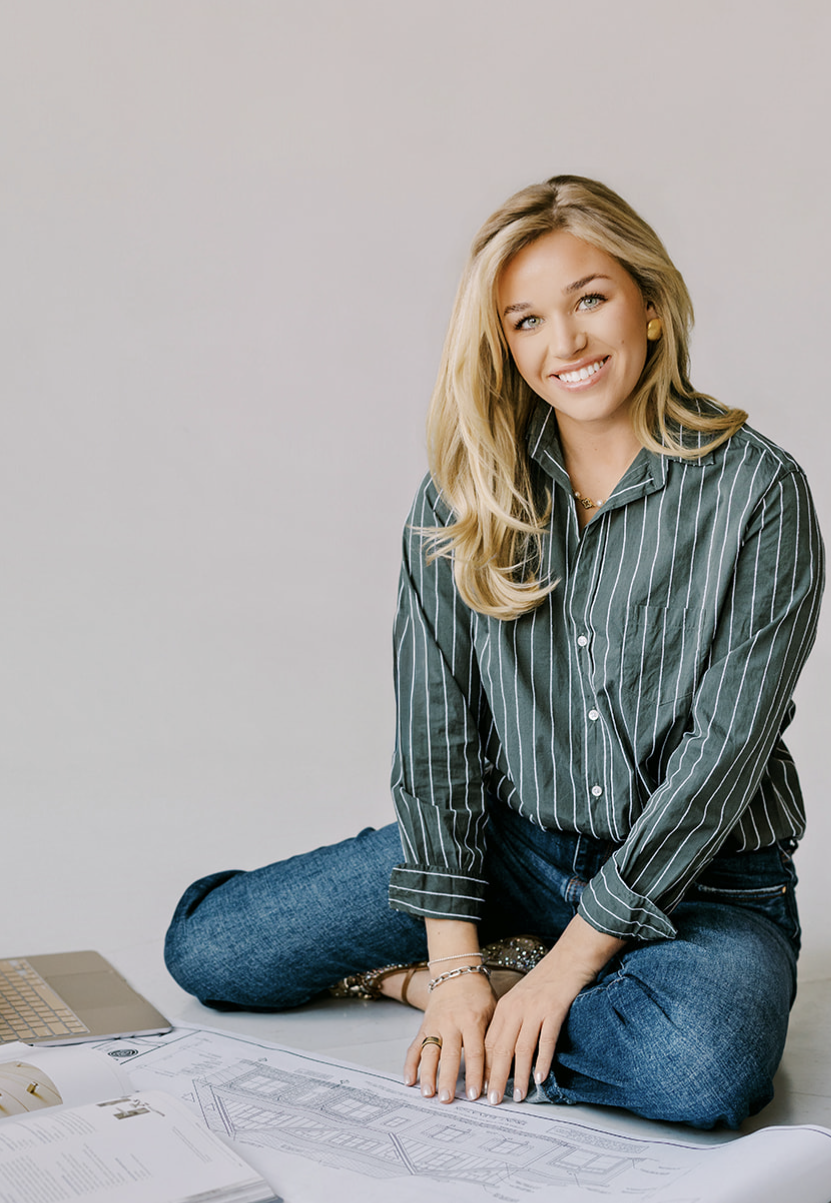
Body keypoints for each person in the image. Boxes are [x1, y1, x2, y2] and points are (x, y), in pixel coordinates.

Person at [164, 174, 824, 1131]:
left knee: (698, 1068)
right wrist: (455, 965)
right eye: (525, 321)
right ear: (501, 342)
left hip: (704, 883)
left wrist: (556, 975)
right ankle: (459, 980)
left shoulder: (758, 494)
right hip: (514, 853)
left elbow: (720, 763)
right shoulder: (465, 493)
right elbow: (435, 738)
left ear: (648, 300)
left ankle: (522, 991)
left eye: (589, 299)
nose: (565, 345)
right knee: (212, 956)